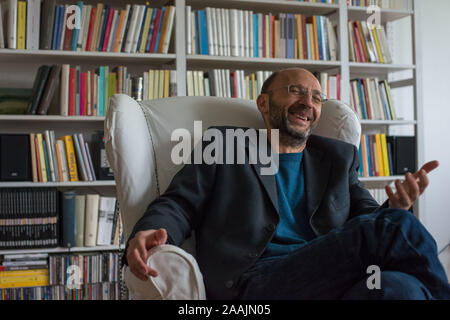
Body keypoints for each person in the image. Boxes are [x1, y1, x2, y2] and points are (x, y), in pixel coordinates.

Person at [124, 68, 450, 300]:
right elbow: (180, 202)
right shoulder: (225, 144)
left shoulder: (338, 157)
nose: (308, 102)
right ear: (263, 103)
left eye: (317, 96)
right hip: (257, 283)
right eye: (296, 90)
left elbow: (367, 217)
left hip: (335, 279)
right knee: (393, 228)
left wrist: (396, 206)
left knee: (398, 288)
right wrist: (149, 230)